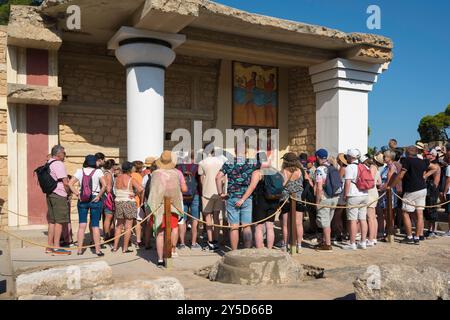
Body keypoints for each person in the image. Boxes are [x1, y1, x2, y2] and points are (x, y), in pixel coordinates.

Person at [147, 151, 187, 267]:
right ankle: (170, 252)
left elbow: (153, 192)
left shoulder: (155, 173)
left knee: (160, 233)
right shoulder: (175, 173)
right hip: (172, 206)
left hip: (159, 206)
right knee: (173, 228)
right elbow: (177, 191)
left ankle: (160, 259)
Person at [393, 146, 437, 245]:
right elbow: (435, 168)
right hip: (422, 189)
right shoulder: (423, 161)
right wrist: (425, 176)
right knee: (419, 213)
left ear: (407, 153)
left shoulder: (407, 160)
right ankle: (417, 237)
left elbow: (401, 175)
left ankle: (409, 237)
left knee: (405, 212)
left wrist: (391, 185)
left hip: (411, 190)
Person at [236, 152, 279, 249]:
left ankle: (259, 249)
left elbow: (252, 187)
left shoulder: (257, 172)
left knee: (259, 227)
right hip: (273, 201)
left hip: (261, 201)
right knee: (270, 226)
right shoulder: (275, 171)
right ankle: (269, 249)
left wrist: (243, 199)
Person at [216, 149, 257, 251]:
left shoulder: (229, 162)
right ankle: (247, 251)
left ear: (235, 150)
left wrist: (221, 193)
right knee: (246, 226)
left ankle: (234, 251)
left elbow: (218, 177)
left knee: (234, 226)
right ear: (246, 150)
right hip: (246, 198)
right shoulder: (252, 163)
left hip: (232, 197)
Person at [68, 155, 106, 256]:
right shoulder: (98, 172)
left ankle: (80, 250)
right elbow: (105, 185)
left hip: (83, 198)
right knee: (95, 226)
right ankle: (97, 250)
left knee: (81, 225)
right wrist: (99, 195)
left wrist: (77, 194)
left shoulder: (79, 171)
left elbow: (70, 183)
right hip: (95, 198)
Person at [279, 152, 311, 252]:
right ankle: (299, 245)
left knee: (285, 224)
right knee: (299, 224)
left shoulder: (283, 171)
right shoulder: (301, 170)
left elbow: (281, 185)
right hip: (298, 199)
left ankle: (284, 245)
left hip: (286, 199)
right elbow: (309, 182)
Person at [314, 149, 342, 252]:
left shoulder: (320, 169)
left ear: (317, 157)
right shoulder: (332, 167)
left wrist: (317, 201)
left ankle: (327, 245)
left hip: (325, 198)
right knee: (328, 220)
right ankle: (324, 241)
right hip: (334, 197)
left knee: (325, 222)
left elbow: (319, 187)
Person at [112, 161, 144, 253]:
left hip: (119, 202)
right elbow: (141, 189)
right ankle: (125, 248)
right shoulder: (131, 179)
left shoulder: (117, 178)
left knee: (118, 226)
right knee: (128, 226)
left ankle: (115, 247)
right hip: (129, 202)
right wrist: (134, 194)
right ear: (130, 169)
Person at [46, 145, 71, 255]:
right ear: (59, 154)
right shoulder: (58, 164)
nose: (65, 155)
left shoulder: (49, 163)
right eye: (64, 153)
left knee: (52, 221)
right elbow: (66, 182)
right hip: (59, 194)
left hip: (50, 194)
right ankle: (56, 247)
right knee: (60, 222)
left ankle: (49, 246)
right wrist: (68, 193)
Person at [198, 145, 225, 251]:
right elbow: (222, 178)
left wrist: (203, 188)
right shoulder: (220, 162)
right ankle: (216, 240)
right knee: (217, 217)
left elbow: (201, 178)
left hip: (207, 192)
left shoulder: (202, 163)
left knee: (208, 217)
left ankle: (211, 241)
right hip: (218, 192)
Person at [342, 149, 369, 250]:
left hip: (353, 195)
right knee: (362, 219)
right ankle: (363, 242)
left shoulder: (350, 167)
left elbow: (348, 183)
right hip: (364, 194)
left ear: (350, 157)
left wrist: (345, 195)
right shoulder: (364, 166)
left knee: (352, 220)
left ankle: (352, 243)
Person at [176, 151, 202, 250]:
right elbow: (200, 182)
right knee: (195, 219)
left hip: (182, 195)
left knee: (182, 220)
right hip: (195, 194)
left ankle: (182, 243)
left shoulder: (179, 167)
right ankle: (193, 243)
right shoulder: (197, 166)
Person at [362, 155, 381, 247]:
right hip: (374, 192)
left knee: (370, 217)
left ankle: (370, 239)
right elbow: (379, 182)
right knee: (373, 217)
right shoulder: (376, 168)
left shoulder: (372, 167)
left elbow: (371, 181)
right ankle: (373, 238)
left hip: (370, 193)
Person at [423, 149, 441, 238]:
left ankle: (432, 231)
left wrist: (432, 191)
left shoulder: (436, 165)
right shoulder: (430, 165)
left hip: (432, 191)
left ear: (433, 156)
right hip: (428, 190)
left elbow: (436, 182)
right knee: (428, 211)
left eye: (428, 154)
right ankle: (430, 230)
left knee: (432, 210)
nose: (426, 156)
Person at [331, 153, 348, 244]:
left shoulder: (342, 169)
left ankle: (338, 233)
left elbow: (338, 180)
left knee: (338, 214)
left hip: (341, 194)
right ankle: (343, 232)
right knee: (342, 214)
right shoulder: (347, 168)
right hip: (345, 193)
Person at [102, 159, 116, 241]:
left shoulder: (104, 173)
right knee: (109, 216)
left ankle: (109, 234)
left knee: (108, 217)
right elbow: (108, 188)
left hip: (104, 197)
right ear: (112, 166)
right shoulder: (109, 174)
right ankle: (107, 236)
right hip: (108, 197)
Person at [131, 160, 145, 248]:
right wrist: (142, 200)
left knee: (128, 222)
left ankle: (128, 240)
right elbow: (141, 190)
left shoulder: (130, 175)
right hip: (137, 200)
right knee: (138, 221)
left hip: (128, 200)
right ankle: (138, 240)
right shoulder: (139, 176)